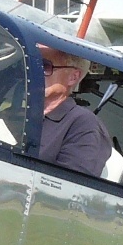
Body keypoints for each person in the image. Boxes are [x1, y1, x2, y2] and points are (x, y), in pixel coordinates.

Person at [36, 44, 113, 177]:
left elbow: (69, 186)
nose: (35, 70)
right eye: (33, 63)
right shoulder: (19, 112)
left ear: (73, 77)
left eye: (45, 66)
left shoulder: (84, 124)